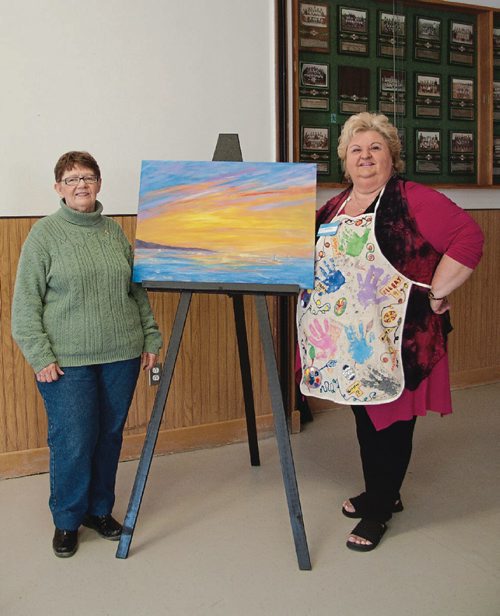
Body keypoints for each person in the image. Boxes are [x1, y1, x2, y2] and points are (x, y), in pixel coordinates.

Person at [296, 113, 483, 552]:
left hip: (397, 340)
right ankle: (383, 491)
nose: (365, 157)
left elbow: (468, 238)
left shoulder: (414, 199)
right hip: (348, 345)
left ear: (392, 158)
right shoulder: (332, 207)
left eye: (375, 148)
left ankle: (379, 509)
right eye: (356, 150)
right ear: (345, 162)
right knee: (366, 417)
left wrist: (438, 292)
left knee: (393, 422)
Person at [12, 151, 162, 558]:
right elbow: (24, 306)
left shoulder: (113, 233)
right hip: (67, 360)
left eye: (89, 177)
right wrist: (40, 355)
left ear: (99, 184)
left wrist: (150, 338)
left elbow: (136, 292)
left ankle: (99, 510)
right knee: (74, 441)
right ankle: (66, 521)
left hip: (121, 354)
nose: (82, 184)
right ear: (58, 187)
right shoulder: (43, 236)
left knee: (110, 436)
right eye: (72, 177)